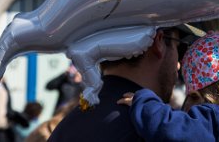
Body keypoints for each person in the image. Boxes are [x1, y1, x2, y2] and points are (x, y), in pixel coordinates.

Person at [48, 24, 204, 141]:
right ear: (159, 42)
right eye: (178, 47)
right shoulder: (154, 131)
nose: (178, 64)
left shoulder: (69, 123)